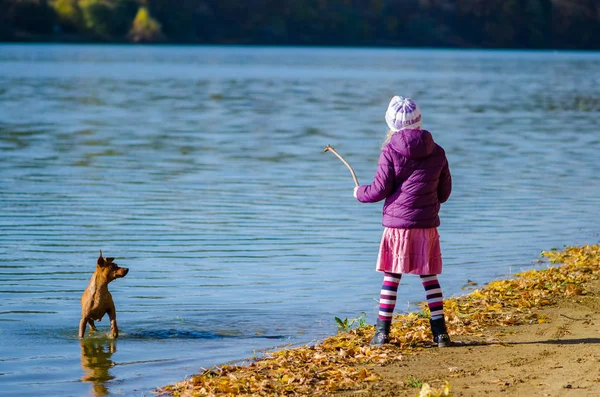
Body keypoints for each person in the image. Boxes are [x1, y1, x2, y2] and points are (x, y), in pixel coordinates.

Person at [353, 96, 452, 347]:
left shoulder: (390, 150)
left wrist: (359, 193)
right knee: (429, 278)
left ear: (392, 124)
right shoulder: (437, 151)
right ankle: (440, 334)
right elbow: (445, 193)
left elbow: (379, 190)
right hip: (427, 226)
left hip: (397, 228)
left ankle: (382, 333)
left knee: (391, 278)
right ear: (419, 121)